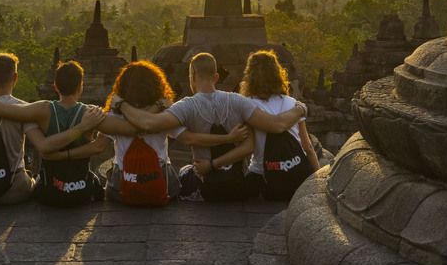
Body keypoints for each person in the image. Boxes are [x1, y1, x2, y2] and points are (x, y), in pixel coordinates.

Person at [118, 52, 306, 201]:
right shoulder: (239, 102)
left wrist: (121, 105)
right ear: (216, 76)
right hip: (236, 185)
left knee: (184, 172)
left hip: (205, 188)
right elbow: (273, 127)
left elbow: (147, 123)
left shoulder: (187, 106)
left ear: (192, 76)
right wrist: (300, 109)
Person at [0, 53, 98, 205]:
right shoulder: (24, 110)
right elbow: (42, 145)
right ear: (15, 77)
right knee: (34, 180)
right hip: (15, 191)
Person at [101, 61, 248, 205]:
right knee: (182, 171)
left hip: (122, 188)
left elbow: (98, 146)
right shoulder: (164, 115)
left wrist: (120, 106)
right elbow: (190, 139)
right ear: (157, 85)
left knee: (110, 172)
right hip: (161, 185)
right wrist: (228, 138)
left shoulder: (114, 115)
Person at [238, 50, 320, 201]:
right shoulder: (293, 103)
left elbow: (247, 147)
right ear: (278, 74)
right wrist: (319, 180)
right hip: (295, 177)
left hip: (263, 178)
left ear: (249, 76)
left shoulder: (248, 106)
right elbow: (307, 146)